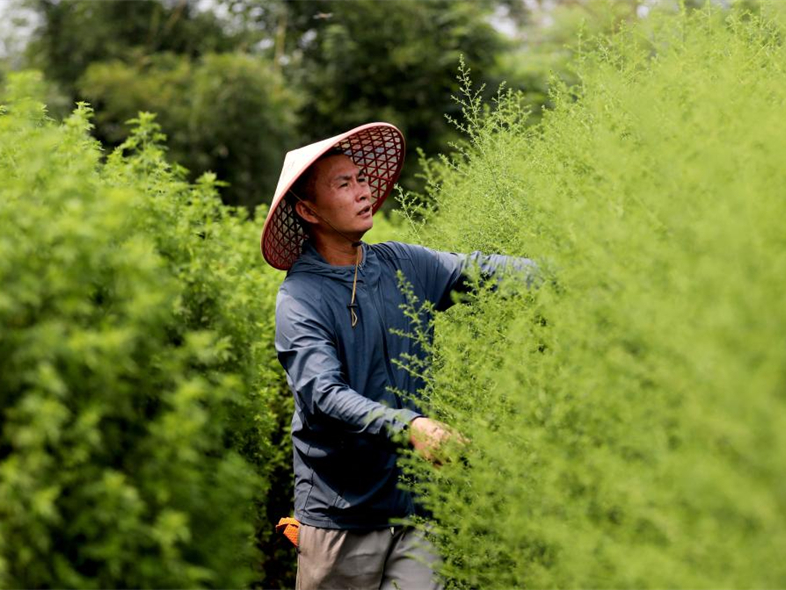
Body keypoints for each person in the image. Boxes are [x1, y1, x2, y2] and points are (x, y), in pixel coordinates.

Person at [261, 123, 535, 590]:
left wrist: (576, 271)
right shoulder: (301, 299)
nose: (363, 190)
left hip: (414, 507)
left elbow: (480, 270)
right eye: (343, 184)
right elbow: (323, 394)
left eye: (361, 179)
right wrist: (409, 427)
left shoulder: (401, 264)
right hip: (339, 519)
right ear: (308, 210)